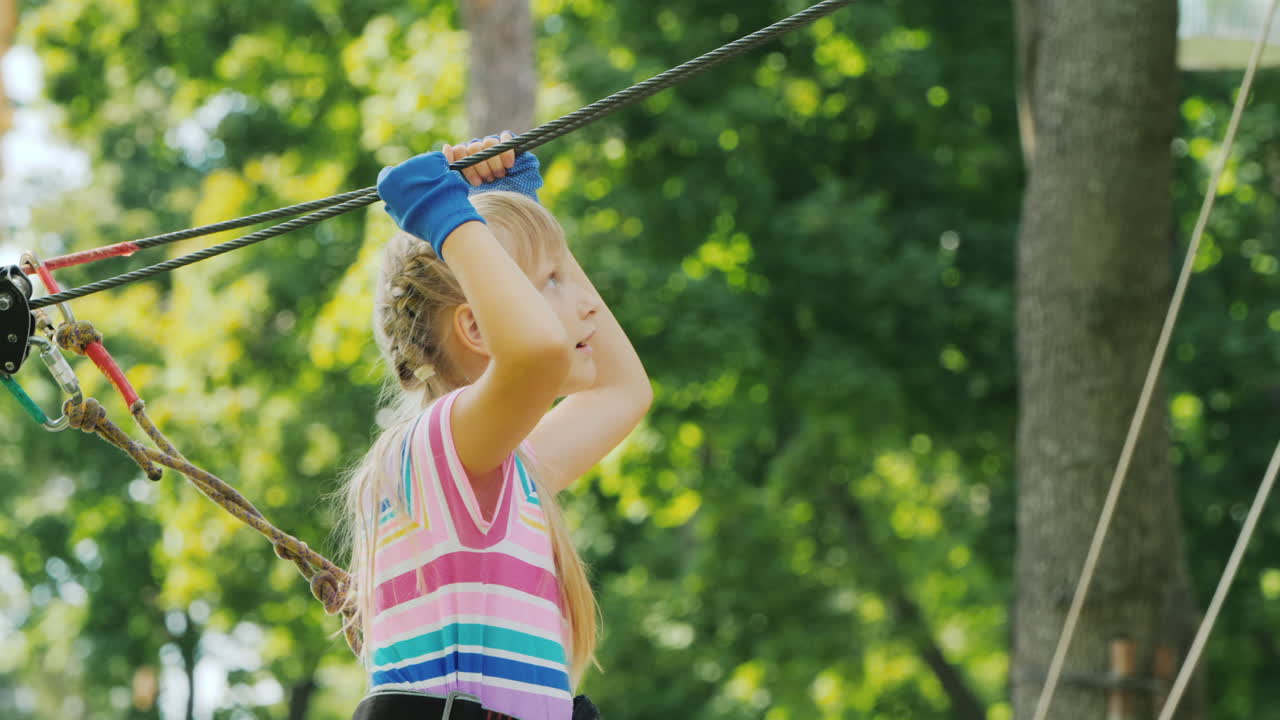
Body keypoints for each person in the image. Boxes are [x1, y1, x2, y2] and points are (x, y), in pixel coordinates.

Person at [340, 132, 652, 720]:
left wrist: (525, 213)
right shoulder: (443, 450)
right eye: (552, 283)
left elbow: (623, 389)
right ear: (478, 329)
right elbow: (538, 353)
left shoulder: (508, 464)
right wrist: (437, 207)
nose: (588, 303)